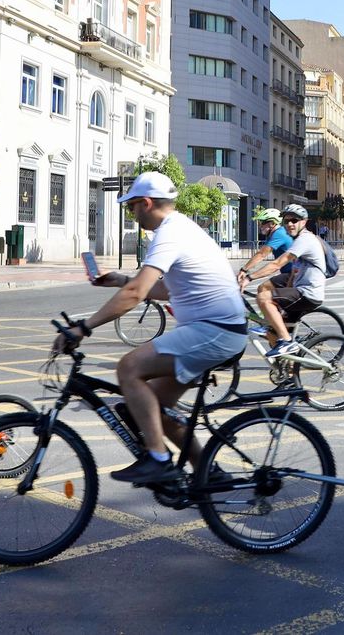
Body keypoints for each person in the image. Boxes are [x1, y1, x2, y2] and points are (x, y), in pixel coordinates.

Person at [53, 172, 247, 485]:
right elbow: (169, 291)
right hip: (219, 330)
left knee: (129, 367)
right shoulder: (181, 227)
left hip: (215, 331)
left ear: (146, 203)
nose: (131, 214)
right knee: (155, 408)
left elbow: (136, 295)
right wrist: (122, 280)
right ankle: (208, 474)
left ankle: (158, 459)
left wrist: (82, 329)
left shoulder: (170, 233)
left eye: (131, 208)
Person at [244, 203, 329, 360]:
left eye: (294, 220)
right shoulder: (297, 240)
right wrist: (284, 295)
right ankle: (288, 375)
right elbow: (293, 273)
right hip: (299, 290)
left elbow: (277, 264)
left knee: (263, 296)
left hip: (308, 293)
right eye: (286, 221)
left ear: (304, 222)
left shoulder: (305, 239)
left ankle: (288, 341)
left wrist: (248, 277)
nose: (289, 224)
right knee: (271, 331)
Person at [237, 208, 291, 290]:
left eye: (263, 223)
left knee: (263, 288)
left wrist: (244, 270)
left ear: (272, 223)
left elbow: (261, 254)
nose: (260, 226)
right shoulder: (276, 233)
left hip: (294, 274)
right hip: (289, 273)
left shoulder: (279, 234)